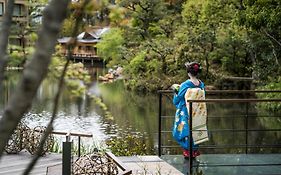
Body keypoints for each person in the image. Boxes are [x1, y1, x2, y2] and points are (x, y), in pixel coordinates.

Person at [172, 62, 205, 159]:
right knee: (195, 129)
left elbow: (177, 100)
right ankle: (194, 151)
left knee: (184, 130)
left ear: (188, 73)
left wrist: (175, 91)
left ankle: (187, 151)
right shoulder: (201, 84)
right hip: (197, 111)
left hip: (185, 111)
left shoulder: (185, 84)